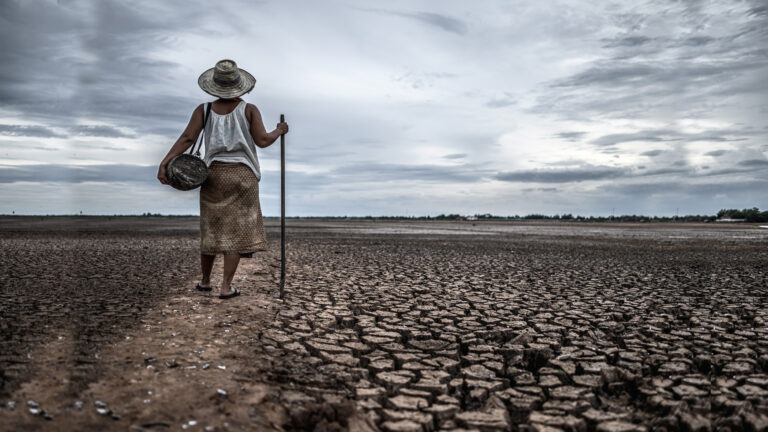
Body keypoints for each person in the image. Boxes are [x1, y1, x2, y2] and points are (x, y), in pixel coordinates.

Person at [157, 59, 288, 299]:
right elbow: (262, 140)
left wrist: (166, 161)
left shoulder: (204, 110)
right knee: (236, 233)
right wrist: (279, 131)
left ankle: (205, 281)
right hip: (243, 175)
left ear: (214, 86)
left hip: (213, 174)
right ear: (240, 86)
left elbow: (187, 138)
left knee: (211, 229)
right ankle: (226, 287)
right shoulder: (249, 109)